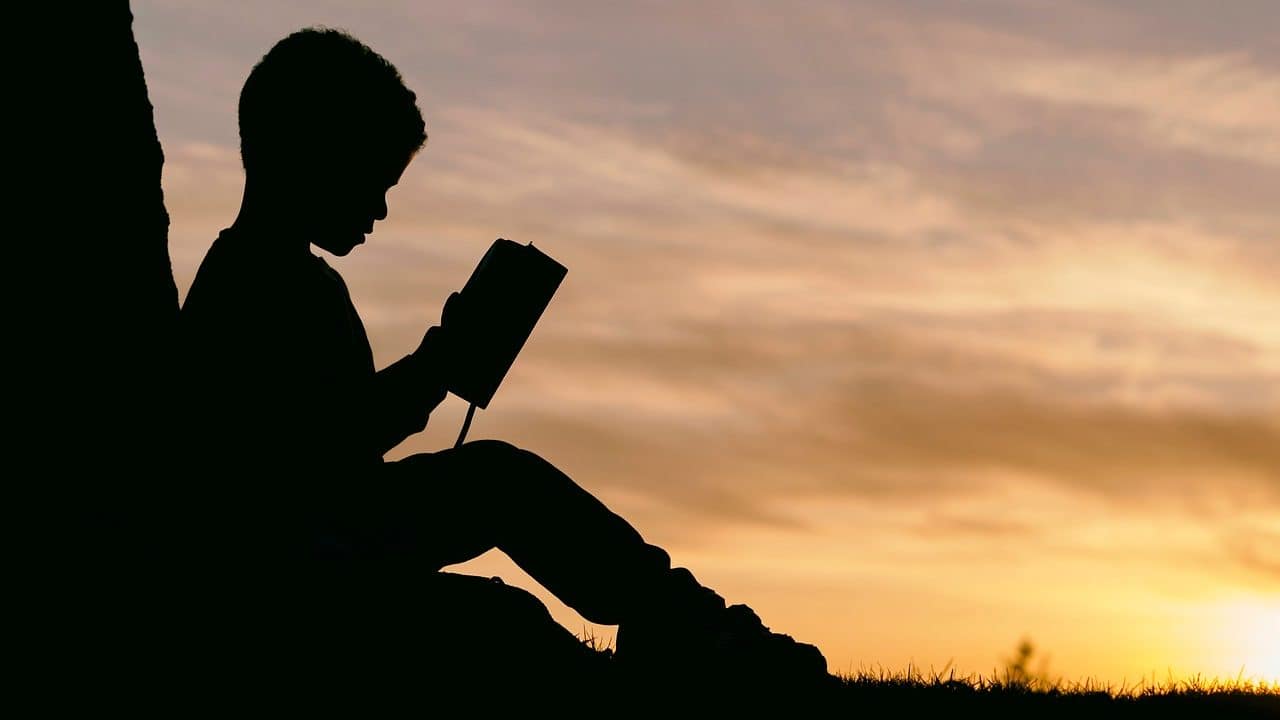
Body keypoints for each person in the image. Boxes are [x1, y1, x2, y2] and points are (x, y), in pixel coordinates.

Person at [176, 27, 827, 690]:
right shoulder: (251, 284)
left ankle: (687, 629)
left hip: (325, 550)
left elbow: (338, 437)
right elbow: (315, 454)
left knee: (498, 500)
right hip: (293, 573)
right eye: (371, 179)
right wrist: (437, 365)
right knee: (504, 577)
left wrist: (437, 365)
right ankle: (695, 636)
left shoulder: (289, 278)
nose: (378, 209)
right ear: (311, 153)